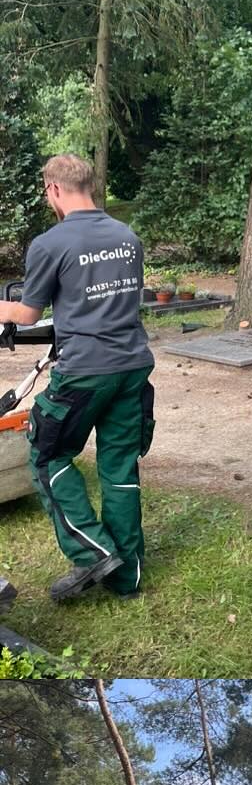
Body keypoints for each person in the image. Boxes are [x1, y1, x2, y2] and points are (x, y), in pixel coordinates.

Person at [0, 155, 152, 600]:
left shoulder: (50, 242)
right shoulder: (128, 237)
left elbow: (28, 313)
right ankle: (127, 579)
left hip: (85, 372)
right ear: (90, 184)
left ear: (53, 190)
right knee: (120, 468)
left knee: (49, 455)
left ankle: (92, 551)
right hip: (134, 366)